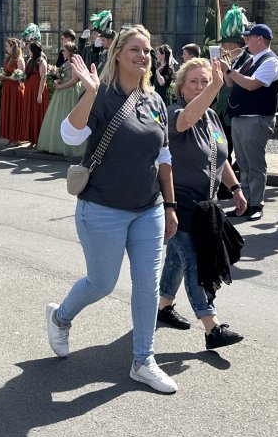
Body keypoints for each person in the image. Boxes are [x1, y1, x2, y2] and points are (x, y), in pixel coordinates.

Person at [46, 24, 179, 394]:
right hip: (103, 207)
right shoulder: (101, 93)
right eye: (135, 49)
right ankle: (60, 317)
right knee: (102, 282)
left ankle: (143, 360)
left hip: (149, 208)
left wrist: (170, 204)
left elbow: (164, 157)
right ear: (117, 54)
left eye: (147, 50)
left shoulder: (155, 101)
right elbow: (70, 135)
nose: (143, 56)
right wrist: (88, 94)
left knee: (148, 285)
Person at [157, 56, 248, 347]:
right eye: (193, 82)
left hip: (206, 206)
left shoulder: (211, 117)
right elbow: (186, 120)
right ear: (181, 87)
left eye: (205, 81)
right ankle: (212, 327)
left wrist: (235, 187)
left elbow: (218, 156)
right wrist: (215, 87)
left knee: (177, 259)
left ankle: (163, 307)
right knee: (195, 261)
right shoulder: (174, 113)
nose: (200, 87)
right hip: (178, 204)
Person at [223, 23, 278, 222]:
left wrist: (229, 71)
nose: (245, 41)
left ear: (260, 39)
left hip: (256, 118)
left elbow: (251, 85)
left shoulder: (270, 61)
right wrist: (225, 67)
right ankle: (245, 203)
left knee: (255, 165)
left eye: (249, 37)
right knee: (243, 164)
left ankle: (257, 204)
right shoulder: (249, 60)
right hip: (241, 117)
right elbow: (230, 82)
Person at [37, 42, 87, 158]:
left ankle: (70, 147)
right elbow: (63, 76)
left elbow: (74, 80)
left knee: (69, 116)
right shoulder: (66, 62)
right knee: (59, 117)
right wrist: (57, 80)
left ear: (70, 51)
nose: (62, 52)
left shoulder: (74, 62)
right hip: (62, 93)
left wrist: (60, 86)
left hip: (71, 93)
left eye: (64, 50)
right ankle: (57, 145)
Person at [17, 40, 49, 144]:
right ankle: (32, 139)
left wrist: (40, 95)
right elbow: (26, 74)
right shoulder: (30, 60)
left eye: (30, 49)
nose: (28, 50)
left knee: (37, 114)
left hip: (37, 90)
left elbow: (43, 78)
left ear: (34, 50)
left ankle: (39, 140)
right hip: (29, 90)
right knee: (30, 114)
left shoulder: (41, 61)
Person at [0, 37, 26, 143]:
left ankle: (17, 138)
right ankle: (10, 137)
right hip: (7, 89)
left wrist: (5, 77)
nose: (5, 48)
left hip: (16, 89)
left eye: (7, 46)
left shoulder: (19, 60)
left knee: (15, 112)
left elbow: (20, 77)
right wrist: (0, 77)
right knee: (8, 113)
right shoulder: (7, 59)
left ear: (13, 47)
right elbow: (5, 72)